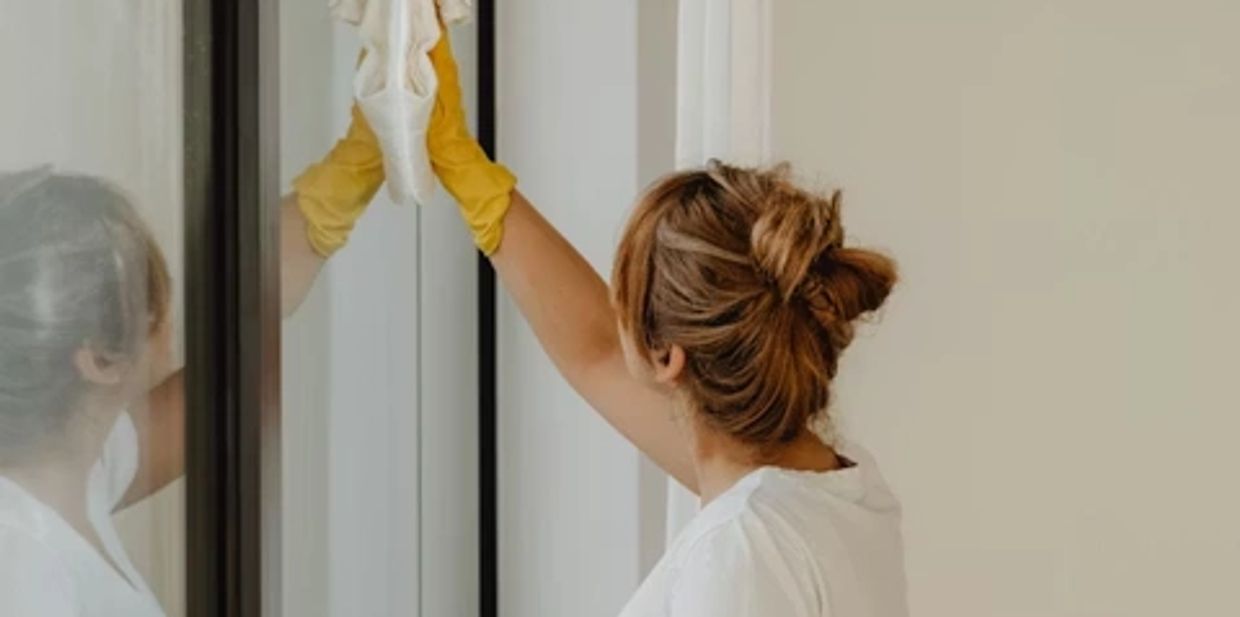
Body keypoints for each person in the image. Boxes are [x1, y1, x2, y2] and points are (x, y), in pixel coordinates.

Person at [416, 24, 910, 616]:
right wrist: (465, 168)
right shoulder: (833, 488)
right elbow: (595, 349)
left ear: (667, 355)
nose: (612, 308)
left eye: (624, 293)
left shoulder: (743, 550)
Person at [0, 96, 386, 613]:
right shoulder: (26, 571)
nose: (170, 317)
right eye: (151, 296)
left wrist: (353, 172)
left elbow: (224, 382)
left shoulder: (66, 465)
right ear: (98, 360)